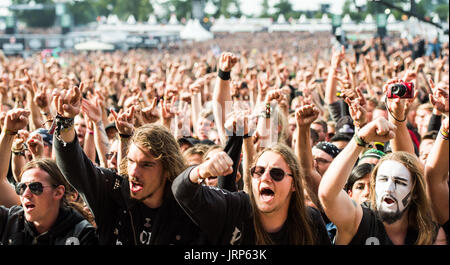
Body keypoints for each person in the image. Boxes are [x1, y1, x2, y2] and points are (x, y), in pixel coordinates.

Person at [52, 83, 208, 245]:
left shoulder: (188, 207)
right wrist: (65, 122)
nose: (134, 171)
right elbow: (76, 167)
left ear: (167, 170)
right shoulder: (114, 192)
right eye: (131, 161)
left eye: (146, 165)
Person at [172, 141, 330, 245]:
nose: (265, 178)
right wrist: (201, 170)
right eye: (258, 171)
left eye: (277, 173)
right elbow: (182, 191)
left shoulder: (310, 221)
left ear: (294, 184)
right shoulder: (235, 207)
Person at [318, 116, 446, 245]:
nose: (388, 188)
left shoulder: (430, 233)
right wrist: (360, 139)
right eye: (383, 180)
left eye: (400, 182)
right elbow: (328, 195)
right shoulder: (359, 220)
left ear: (415, 192)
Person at [0, 158, 98, 245]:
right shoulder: (9, 221)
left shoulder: (82, 234)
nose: (25, 194)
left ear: (58, 192)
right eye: (21, 187)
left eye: (35, 187)